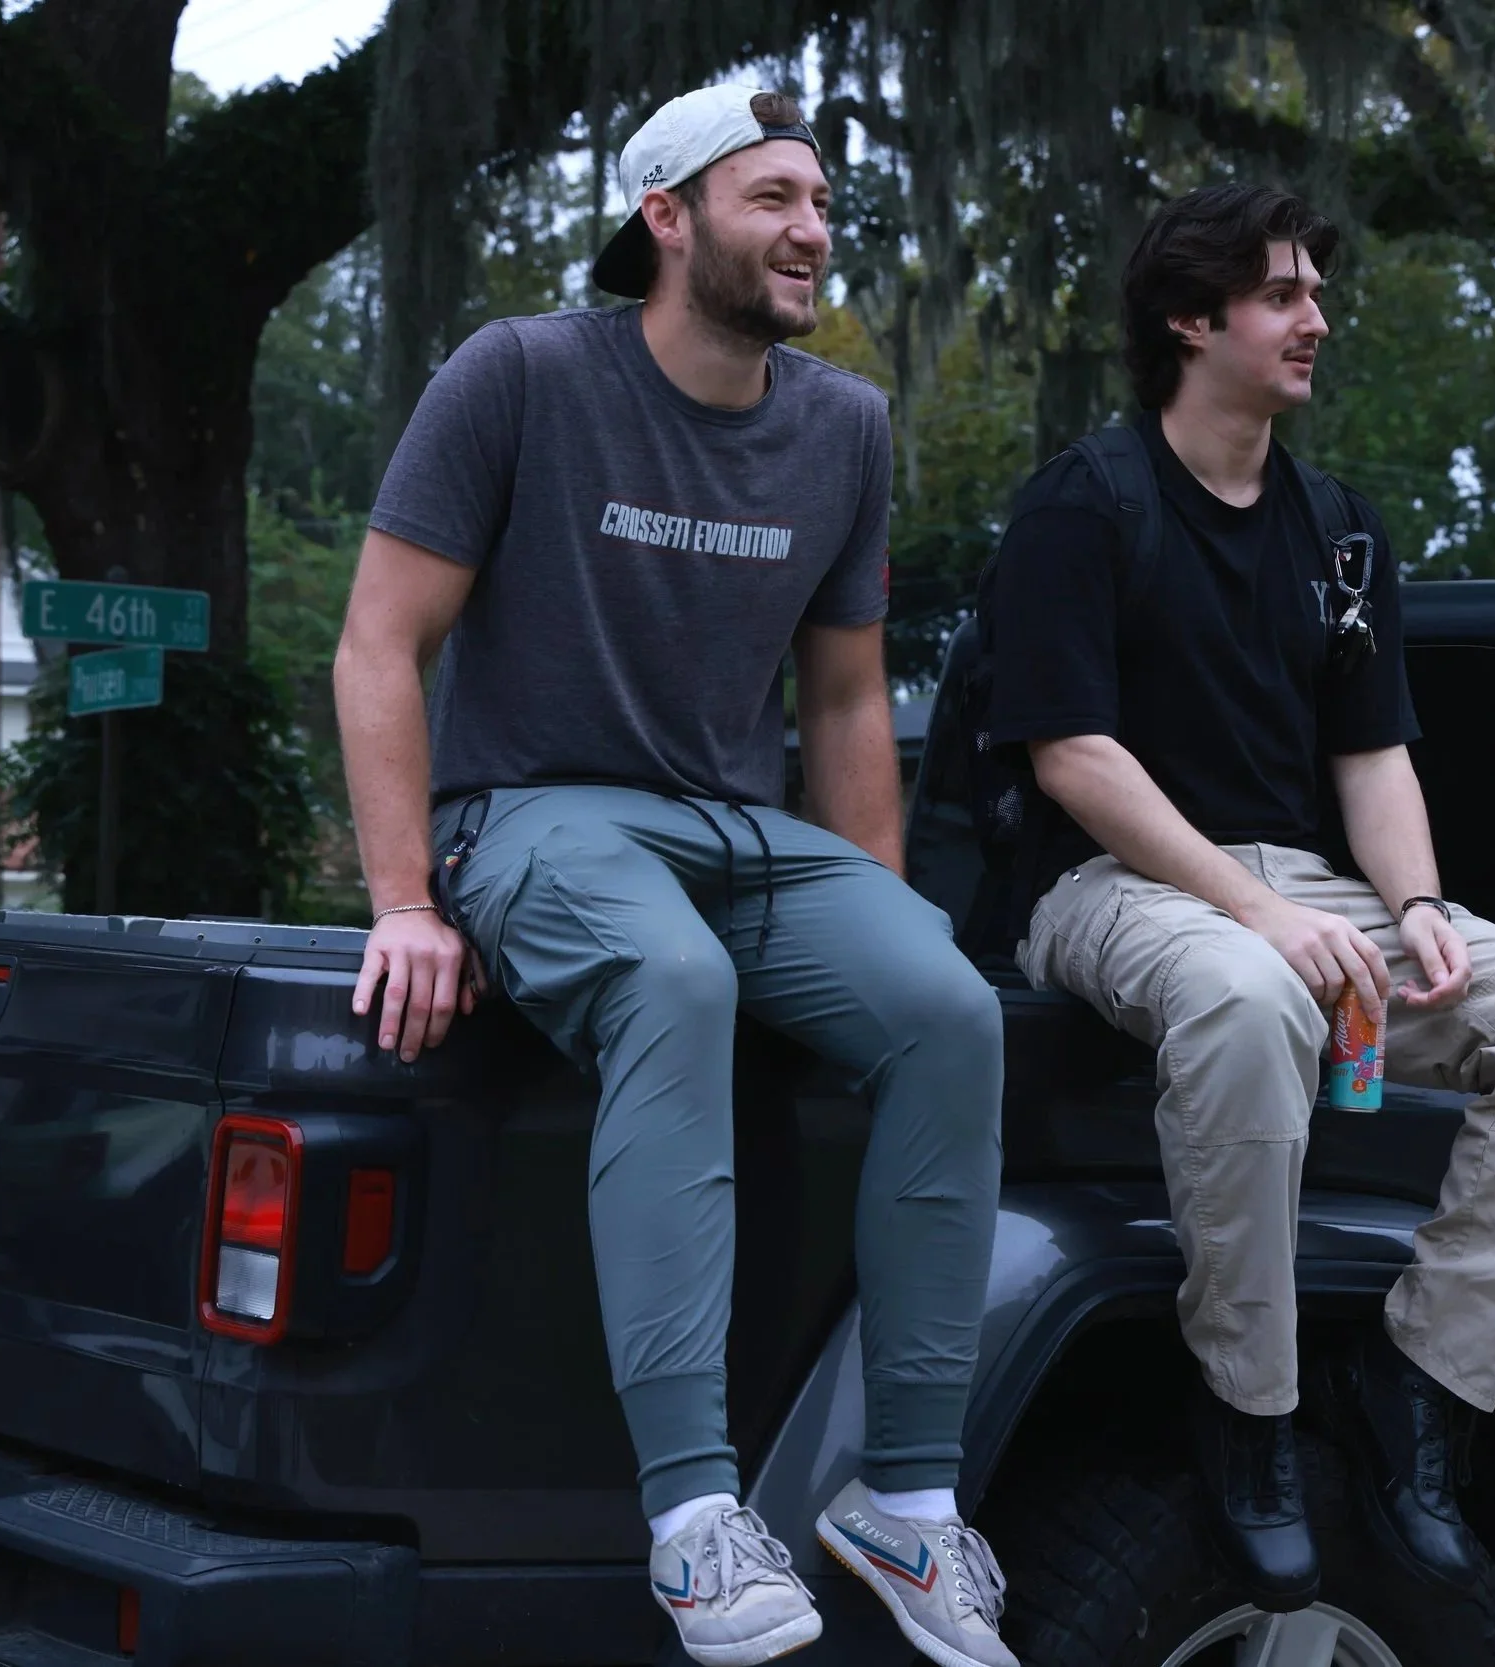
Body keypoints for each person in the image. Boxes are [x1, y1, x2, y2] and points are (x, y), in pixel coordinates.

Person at [335, 84, 1018, 1667]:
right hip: (533, 812)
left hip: (739, 833)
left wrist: (882, 915)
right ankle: (697, 1515)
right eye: (774, 197)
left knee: (951, 1008)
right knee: (673, 976)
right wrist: (404, 901)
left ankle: (909, 1498)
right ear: (667, 216)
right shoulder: (521, 374)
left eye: (824, 203)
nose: (812, 230)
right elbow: (377, 644)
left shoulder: (842, 425)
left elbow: (843, 701)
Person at [979, 184, 1495, 1612]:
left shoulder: (1340, 531)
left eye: (1314, 294)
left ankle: (1417, 1383)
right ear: (1189, 320)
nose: (1316, 320)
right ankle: (1250, 1410)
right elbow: (1073, 757)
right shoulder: (1086, 504)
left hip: (1310, 886)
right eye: (1282, 294)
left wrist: (1421, 904)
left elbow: (1373, 756)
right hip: (1110, 880)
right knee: (1248, 991)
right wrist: (1259, 915)